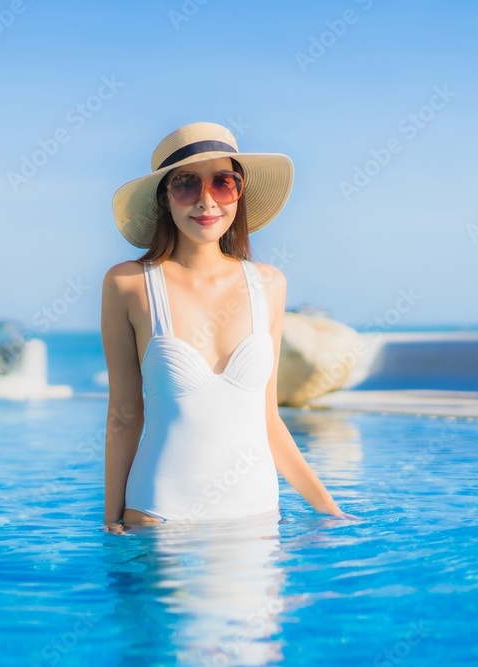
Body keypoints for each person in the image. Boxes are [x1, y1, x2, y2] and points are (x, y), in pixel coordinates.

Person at [101, 121, 354, 531]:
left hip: (257, 516)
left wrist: (331, 510)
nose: (206, 201)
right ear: (165, 198)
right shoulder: (128, 284)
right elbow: (124, 416)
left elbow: (268, 420)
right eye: (186, 184)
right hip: (160, 515)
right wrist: (110, 522)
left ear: (239, 193)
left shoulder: (269, 285)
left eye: (222, 183)